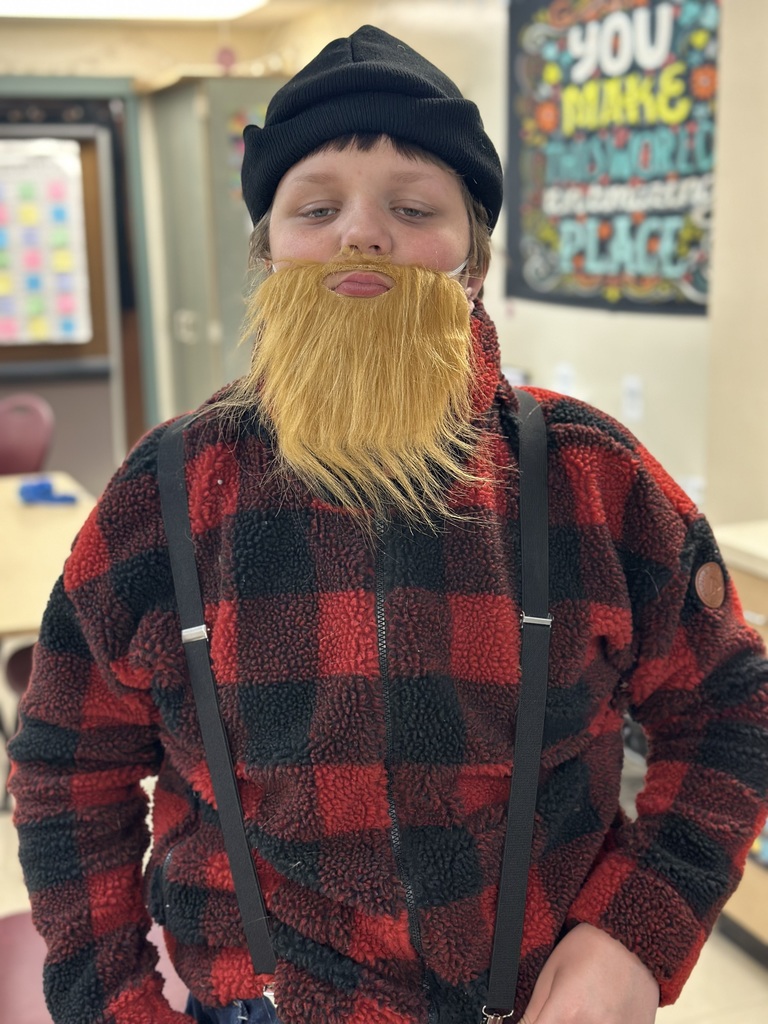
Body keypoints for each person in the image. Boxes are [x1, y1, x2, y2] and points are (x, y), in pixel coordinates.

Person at [9, 24, 768, 1024]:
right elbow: (66, 769)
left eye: (412, 207)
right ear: (270, 254)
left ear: (474, 263)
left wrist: (633, 936)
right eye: (316, 207)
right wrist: (115, 1006)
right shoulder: (169, 489)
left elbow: (730, 711)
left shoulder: (593, 478)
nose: (361, 234)